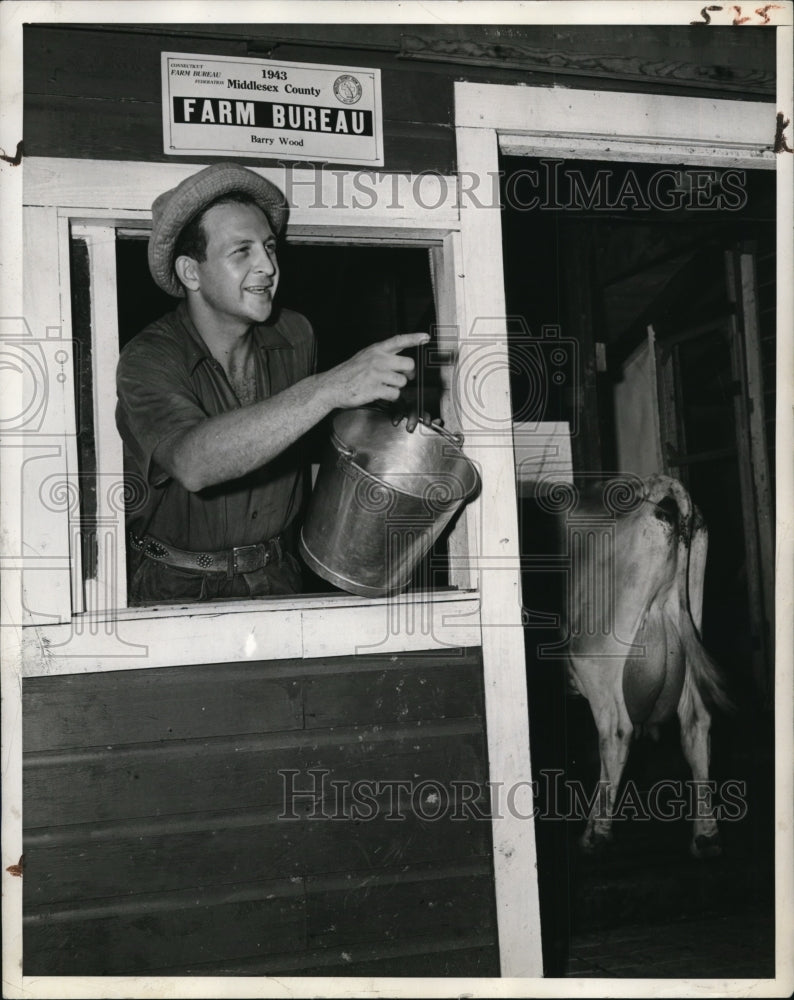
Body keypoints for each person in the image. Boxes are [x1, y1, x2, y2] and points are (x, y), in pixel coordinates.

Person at [116, 162, 431, 605]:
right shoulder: (148, 357)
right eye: (241, 251)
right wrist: (328, 387)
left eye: (268, 247)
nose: (267, 265)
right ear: (191, 272)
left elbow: (312, 428)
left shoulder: (296, 334)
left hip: (277, 575)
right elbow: (193, 464)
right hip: (173, 584)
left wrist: (394, 432)